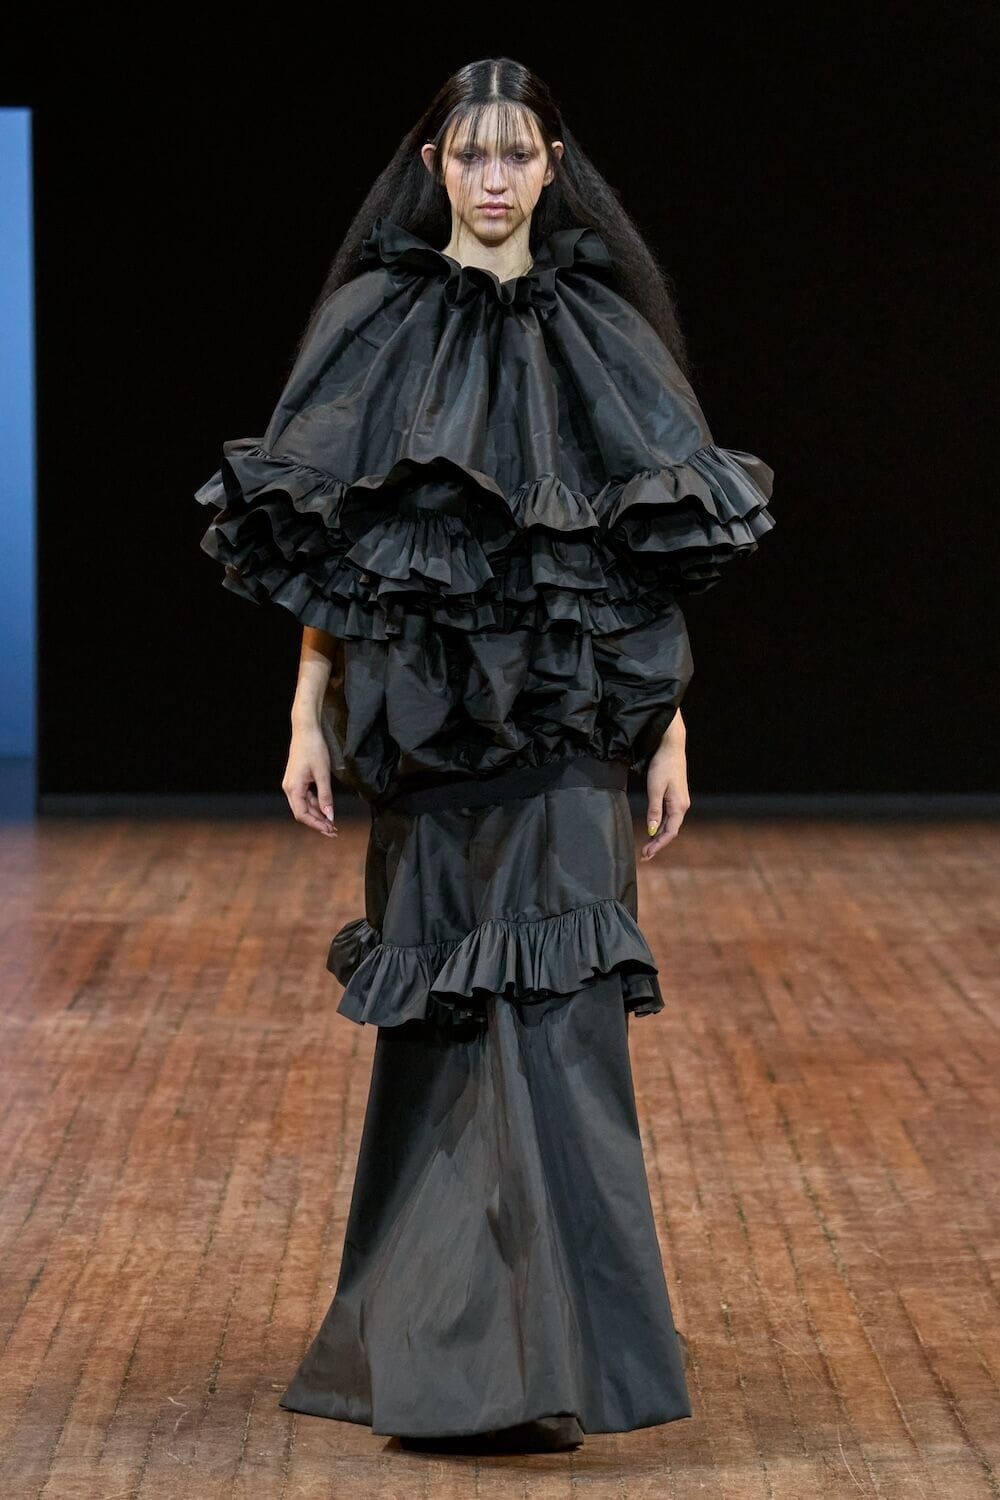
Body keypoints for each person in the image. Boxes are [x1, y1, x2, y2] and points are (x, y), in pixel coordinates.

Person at [195, 56, 775, 1455]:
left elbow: (647, 553)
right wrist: (305, 707)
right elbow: (334, 537)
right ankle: (454, 1360)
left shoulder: (603, 331)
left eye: (519, 154)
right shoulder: (376, 320)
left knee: (564, 1026)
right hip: (430, 733)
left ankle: (559, 1360)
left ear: (555, 168)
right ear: (434, 168)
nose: (496, 178)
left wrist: (671, 722)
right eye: (473, 155)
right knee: (450, 1024)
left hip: (572, 739)